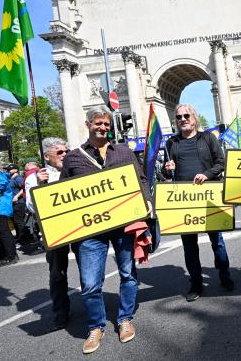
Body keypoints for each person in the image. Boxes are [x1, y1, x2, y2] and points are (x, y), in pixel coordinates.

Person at [61, 106, 149, 354]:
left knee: (128, 275)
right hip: (90, 232)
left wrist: (146, 199)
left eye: (106, 124)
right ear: (88, 124)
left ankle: (124, 319)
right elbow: (62, 194)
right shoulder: (73, 158)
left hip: (123, 226)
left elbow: (141, 179)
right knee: (89, 284)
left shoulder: (123, 152)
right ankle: (95, 326)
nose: (102, 127)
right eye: (98, 123)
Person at [164, 104, 234, 302]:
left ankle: (224, 275)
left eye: (187, 115)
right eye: (179, 117)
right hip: (184, 201)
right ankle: (195, 283)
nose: (183, 119)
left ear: (194, 118)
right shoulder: (171, 143)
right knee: (189, 245)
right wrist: (168, 169)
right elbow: (165, 172)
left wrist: (206, 174)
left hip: (208, 197)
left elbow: (221, 162)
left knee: (217, 240)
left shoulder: (208, 138)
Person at [25, 137, 71, 330]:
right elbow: (31, 206)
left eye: (66, 151)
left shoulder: (74, 169)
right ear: (47, 156)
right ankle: (61, 311)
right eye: (59, 152)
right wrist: (39, 185)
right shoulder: (34, 178)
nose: (64, 155)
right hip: (55, 230)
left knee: (89, 267)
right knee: (57, 273)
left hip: (80, 225)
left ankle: (93, 303)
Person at [6, 164, 27, 244]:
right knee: (15, 221)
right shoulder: (11, 179)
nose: (8, 171)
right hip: (13, 204)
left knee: (19, 221)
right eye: (7, 170)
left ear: (16, 170)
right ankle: (19, 237)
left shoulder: (18, 178)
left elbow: (24, 188)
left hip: (19, 203)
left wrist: (17, 196)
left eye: (10, 169)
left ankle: (23, 238)